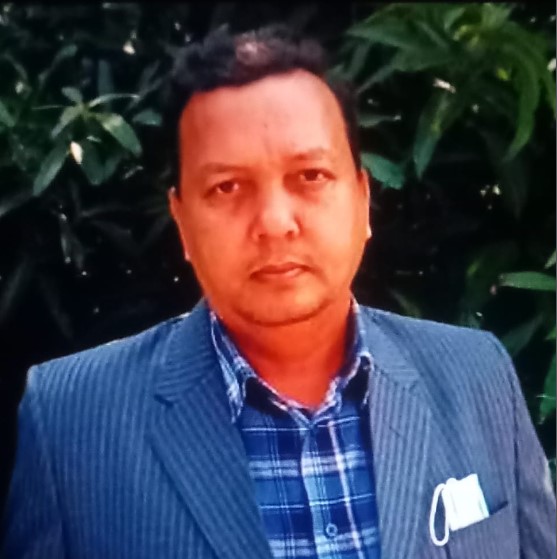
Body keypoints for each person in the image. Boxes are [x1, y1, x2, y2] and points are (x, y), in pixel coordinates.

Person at [1, 23, 555, 559]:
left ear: (362, 200)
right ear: (182, 221)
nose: (274, 222)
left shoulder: (475, 375)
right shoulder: (71, 421)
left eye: (310, 176)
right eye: (227, 186)